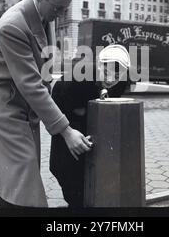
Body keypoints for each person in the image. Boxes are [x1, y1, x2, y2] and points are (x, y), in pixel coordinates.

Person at [0, 0, 92, 208]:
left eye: (64, 10)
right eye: (57, 8)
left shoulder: (43, 16)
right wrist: (66, 131)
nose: (59, 16)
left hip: (24, 101)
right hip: (5, 103)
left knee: (16, 173)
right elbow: (31, 84)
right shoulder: (13, 26)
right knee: (24, 175)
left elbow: (44, 75)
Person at [50, 45, 131, 207]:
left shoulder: (122, 82)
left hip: (91, 126)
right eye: (107, 71)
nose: (111, 78)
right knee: (68, 172)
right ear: (99, 65)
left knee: (91, 177)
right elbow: (55, 96)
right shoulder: (78, 77)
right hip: (69, 121)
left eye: (117, 74)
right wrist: (70, 126)